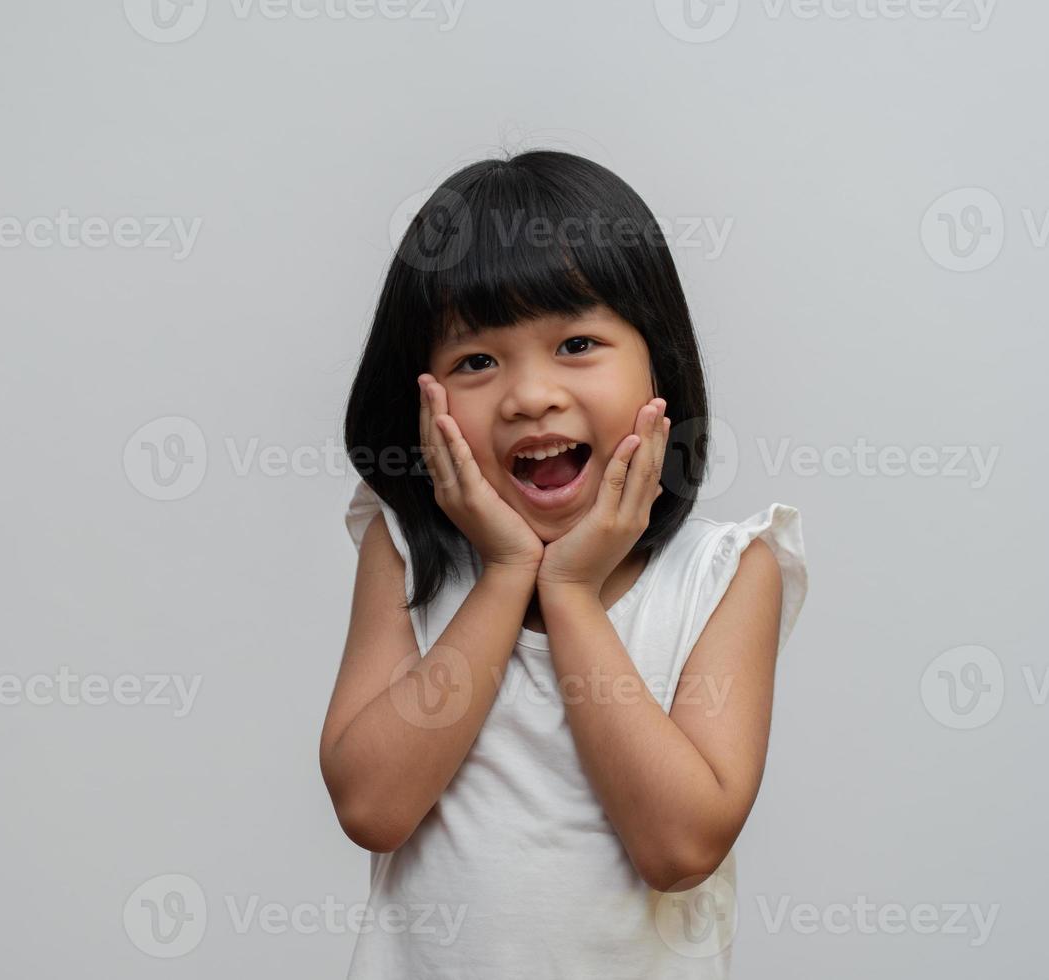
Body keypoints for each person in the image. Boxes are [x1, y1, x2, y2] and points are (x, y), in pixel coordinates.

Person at [320, 149, 808, 979]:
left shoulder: (727, 573)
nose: (529, 395)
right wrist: (508, 572)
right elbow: (373, 805)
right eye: (476, 361)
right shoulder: (405, 555)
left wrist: (572, 592)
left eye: (577, 342)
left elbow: (681, 844)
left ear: (660, 363)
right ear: (420, 401)